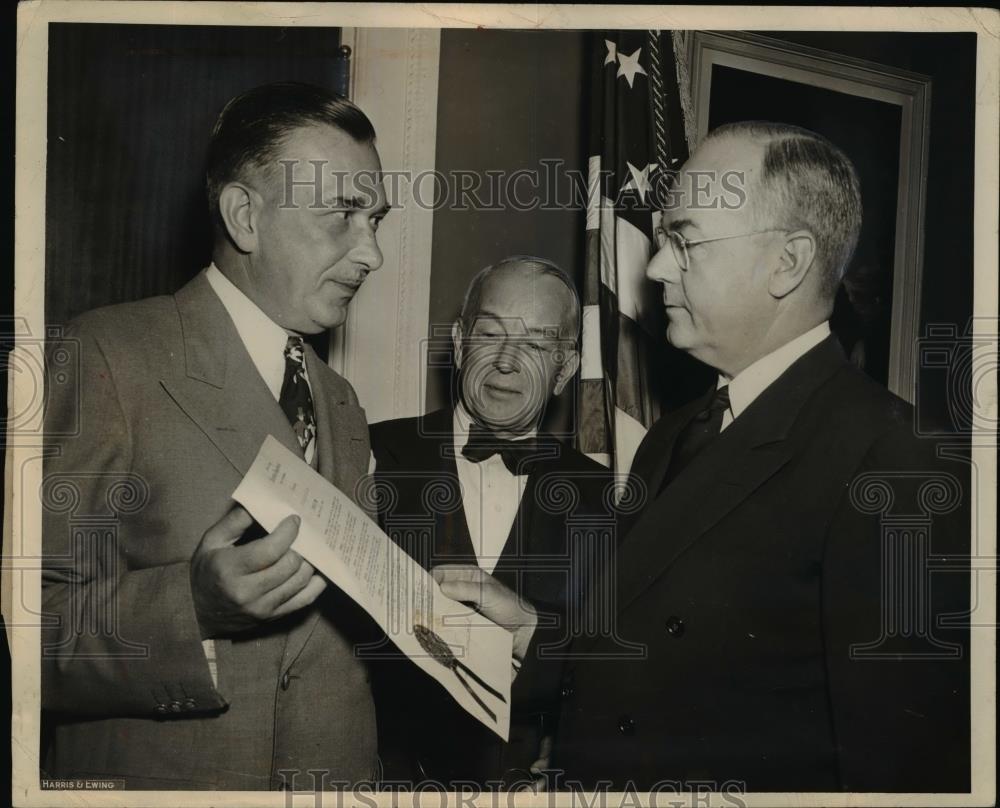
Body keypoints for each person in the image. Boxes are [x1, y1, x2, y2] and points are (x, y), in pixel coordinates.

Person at [549, 122, 970, 792]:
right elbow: (649, 648)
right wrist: (541, 641)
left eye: (683, 240)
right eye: (661, 240)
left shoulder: (895, 459)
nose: (656, 267)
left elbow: (903, 767)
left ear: (788, 262)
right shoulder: (673, 433)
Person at [41, 82, 390, 790]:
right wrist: (190, 608)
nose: (372, 255)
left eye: (377, 220)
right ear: (244, 216)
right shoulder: (108, 354)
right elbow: (24, 632)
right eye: (343, 217)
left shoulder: (343, 402)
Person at [369, 257, 611, 788]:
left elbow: (617, 668)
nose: (506, 361)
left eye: (536, 344)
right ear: (459, 343)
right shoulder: (371, 453)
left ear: (566, 369)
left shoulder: (608, 498)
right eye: (490, 334)